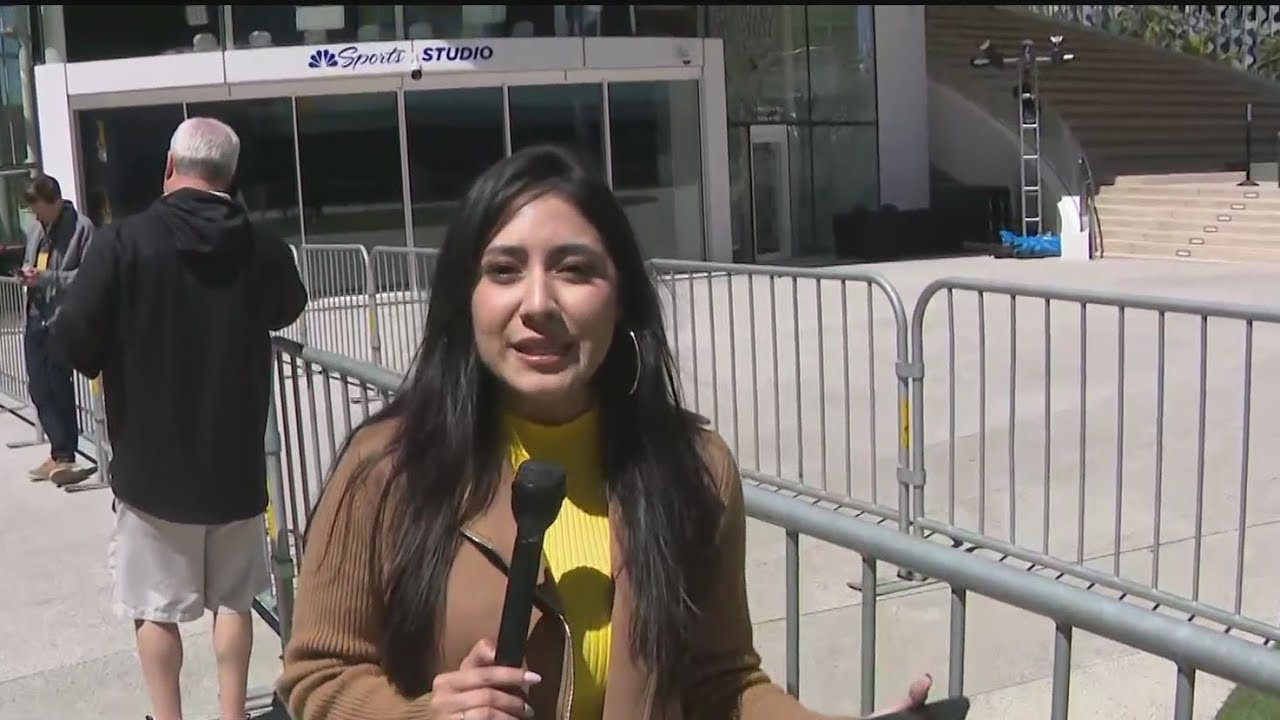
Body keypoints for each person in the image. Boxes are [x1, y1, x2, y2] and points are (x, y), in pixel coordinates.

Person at [276, 144, 931, 720]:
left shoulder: (694, 469)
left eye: (574, 269)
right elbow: (319, 675)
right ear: (464, 298)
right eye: (504, 271)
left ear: (621, 300)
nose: (537, 304)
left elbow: (721, 682)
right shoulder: (385, 467)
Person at [50, 117, 308, 720]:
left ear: (171, 166)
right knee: (236, 602)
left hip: (151, 470)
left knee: (155, 608)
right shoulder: (260, 246)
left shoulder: (123, 243)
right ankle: (231, 712)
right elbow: (289, 305)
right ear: (230, 176)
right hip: (236, 465)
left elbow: (74, 337)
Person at [19, 174, 95, 486]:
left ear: (54, 202)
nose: (35, 216)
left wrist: (48, 278)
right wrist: (28, 275)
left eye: (38, 208)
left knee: (58, 384)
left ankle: (66, 454)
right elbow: (31, 259)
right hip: (35, 316)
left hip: (61, 319)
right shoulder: (38, 229)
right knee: (38, 386)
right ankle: (57, 450)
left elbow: (87, 275)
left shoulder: (82, 229)